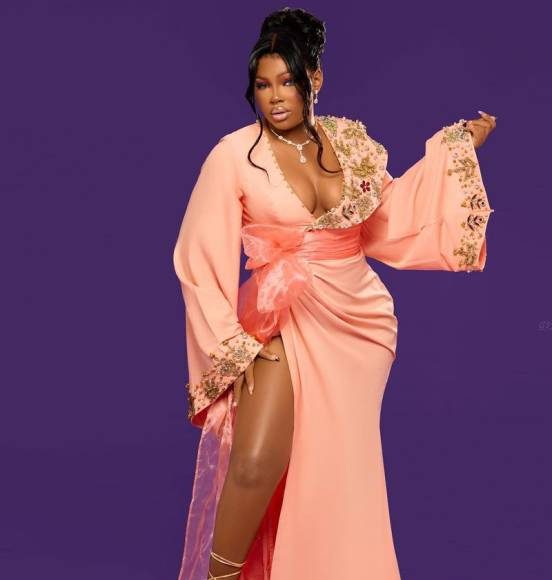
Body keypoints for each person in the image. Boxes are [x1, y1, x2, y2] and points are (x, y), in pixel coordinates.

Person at [172, 7, 497, 580]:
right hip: (283, 313)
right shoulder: (234, 154)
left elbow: (389, 218)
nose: (275, 97)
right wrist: (232, 347)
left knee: (333, 473)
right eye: (263, 85)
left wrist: (456, 151)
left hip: (360, 323)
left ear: (314, 79)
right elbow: (197, 257)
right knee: (254, 463)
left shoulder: (350, 142)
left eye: (287, 81)